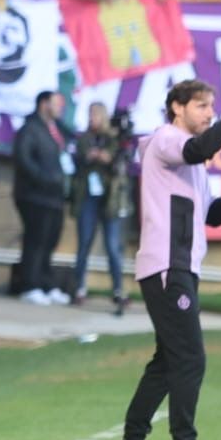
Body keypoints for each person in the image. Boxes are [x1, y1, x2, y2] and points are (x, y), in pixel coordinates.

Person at [106, 81, 221, 440]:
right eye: (201, 105)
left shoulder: (190, 161)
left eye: (212, 106)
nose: (209, 112)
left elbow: (215, 215)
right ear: (176, 107)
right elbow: (201, 147)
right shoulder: (168, 140)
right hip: (167, 268)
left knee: (170, 361)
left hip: (179, 269)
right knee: (190, 358)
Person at [12, 90, 73, 305]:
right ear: (44, 104)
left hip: (55, 197)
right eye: (56, 103)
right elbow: (24, 159)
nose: (60, 108)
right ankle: (30, 285)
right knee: (35, 240)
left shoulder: (57, 130)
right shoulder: (30, 129)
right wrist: (44, 178)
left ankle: (47, 284)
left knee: (50, 241)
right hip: (34, 196)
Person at [71, 103, 132, 315]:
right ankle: (79, 287)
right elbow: (78, 157)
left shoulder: (114, 138)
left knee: (112, 246)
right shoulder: (84, 138)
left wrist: (107, 156)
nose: (92, 118)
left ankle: (117, 289)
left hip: (110, 199)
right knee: (84, 244)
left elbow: (121, 160)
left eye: (95, 114)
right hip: (88, 196)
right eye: (90, 114)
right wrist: (91, 155)